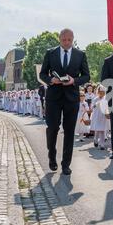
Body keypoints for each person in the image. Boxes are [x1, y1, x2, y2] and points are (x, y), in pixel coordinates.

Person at [39, 28, 90, 175]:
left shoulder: (80, 55)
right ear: (59, 39)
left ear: (73, 39)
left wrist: (75, 80)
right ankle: (51, 155)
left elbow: (86, 76)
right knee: (53, 128)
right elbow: (42, 73)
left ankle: (66, 164)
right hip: (53, 97)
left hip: (72, 98)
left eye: (69, 40)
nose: (66, 43)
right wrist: (50, 80)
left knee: (69, 131)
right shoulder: (50, 53)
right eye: (63, 40)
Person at [90, 85, 108, 150]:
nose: (101, 93)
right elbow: (91, 107)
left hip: (103, 116)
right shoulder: (95, 99)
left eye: (103, 92)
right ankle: (95, 139)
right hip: (96, 116)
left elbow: (107, 107)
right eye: (100, 92)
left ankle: (102, 144)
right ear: (98, 92)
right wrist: (95, 104)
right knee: (97, 130)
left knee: (102, 130)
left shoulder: (105, 99)